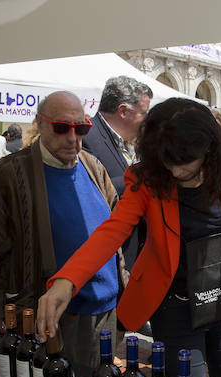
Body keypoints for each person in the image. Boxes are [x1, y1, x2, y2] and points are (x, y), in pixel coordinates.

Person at [37, 98, 221, 377]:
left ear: (208, 150)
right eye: (170, 163)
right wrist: (66, 281)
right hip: (175, 306)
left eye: (186, 162)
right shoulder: (148, 177)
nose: (177, 171)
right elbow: (111, 231)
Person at [0, 91, 124, 369]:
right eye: (61, 128)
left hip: (105, 316)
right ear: (40, 124)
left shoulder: (93, 167)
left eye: (81, 128)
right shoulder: (10, 174)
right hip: (50, 321)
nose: (72, 138)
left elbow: (116, 234)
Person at [82, 76, 153, 274]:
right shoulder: (86, 136)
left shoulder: (134, 141)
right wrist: (143, 173)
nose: (146, 120)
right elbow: (93, 191)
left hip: (136, 257)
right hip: (107, 258)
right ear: (123, 111)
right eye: (143, 113)